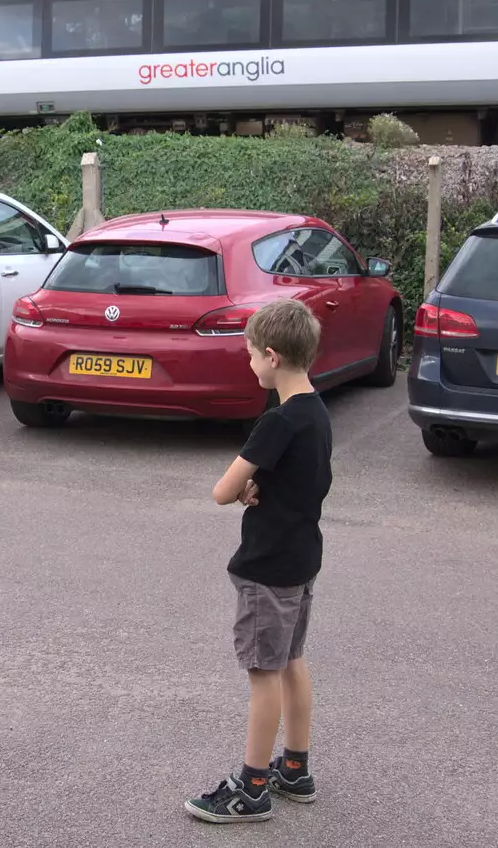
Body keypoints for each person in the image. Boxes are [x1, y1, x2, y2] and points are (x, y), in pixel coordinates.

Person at [185, 298, 331, 824]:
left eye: (249, 354)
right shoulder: (316, 412)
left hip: (267, 568)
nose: (248, 363)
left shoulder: (277, 422)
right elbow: (299, 481)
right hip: (301, 560)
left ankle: (252, 787)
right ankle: (295, 767)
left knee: (263, 672)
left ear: (271, 356)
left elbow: (222, 490)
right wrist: (260, 485)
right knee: (291, 660)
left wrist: (243, 486)